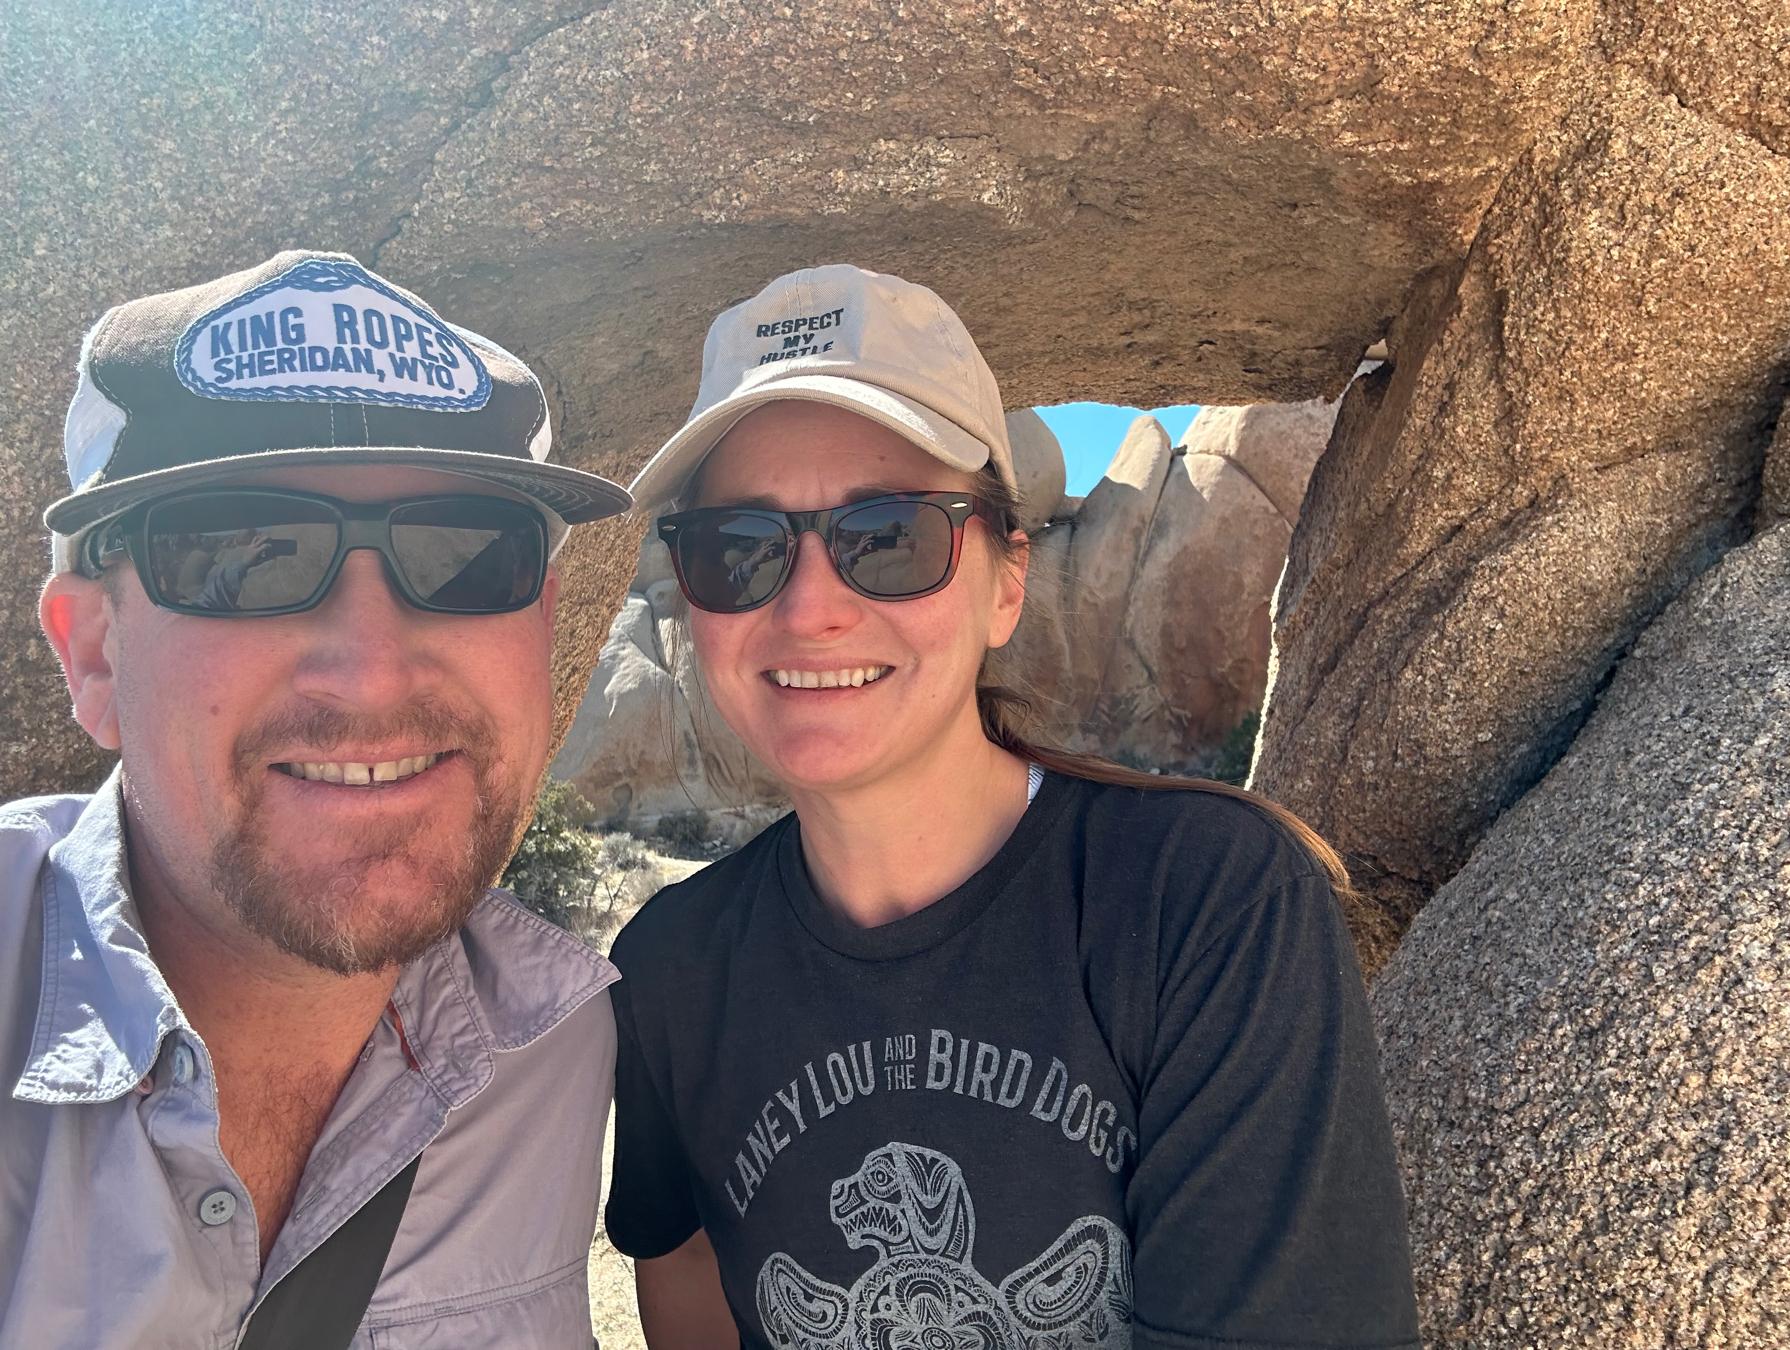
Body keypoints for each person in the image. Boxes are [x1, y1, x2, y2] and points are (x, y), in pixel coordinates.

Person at [603, 265, 1422, 1350]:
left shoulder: (1205, 906)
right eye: (740, 547)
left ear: (1005, 581)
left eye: (889, 536)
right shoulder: (670, 967)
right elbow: (683, 1265)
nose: (809, 608)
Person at [1, 250, 633, 1347]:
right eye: (246, 553)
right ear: (94, 655)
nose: (373, 669)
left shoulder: (565, 1049)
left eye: (467, 553)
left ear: (543, 621)